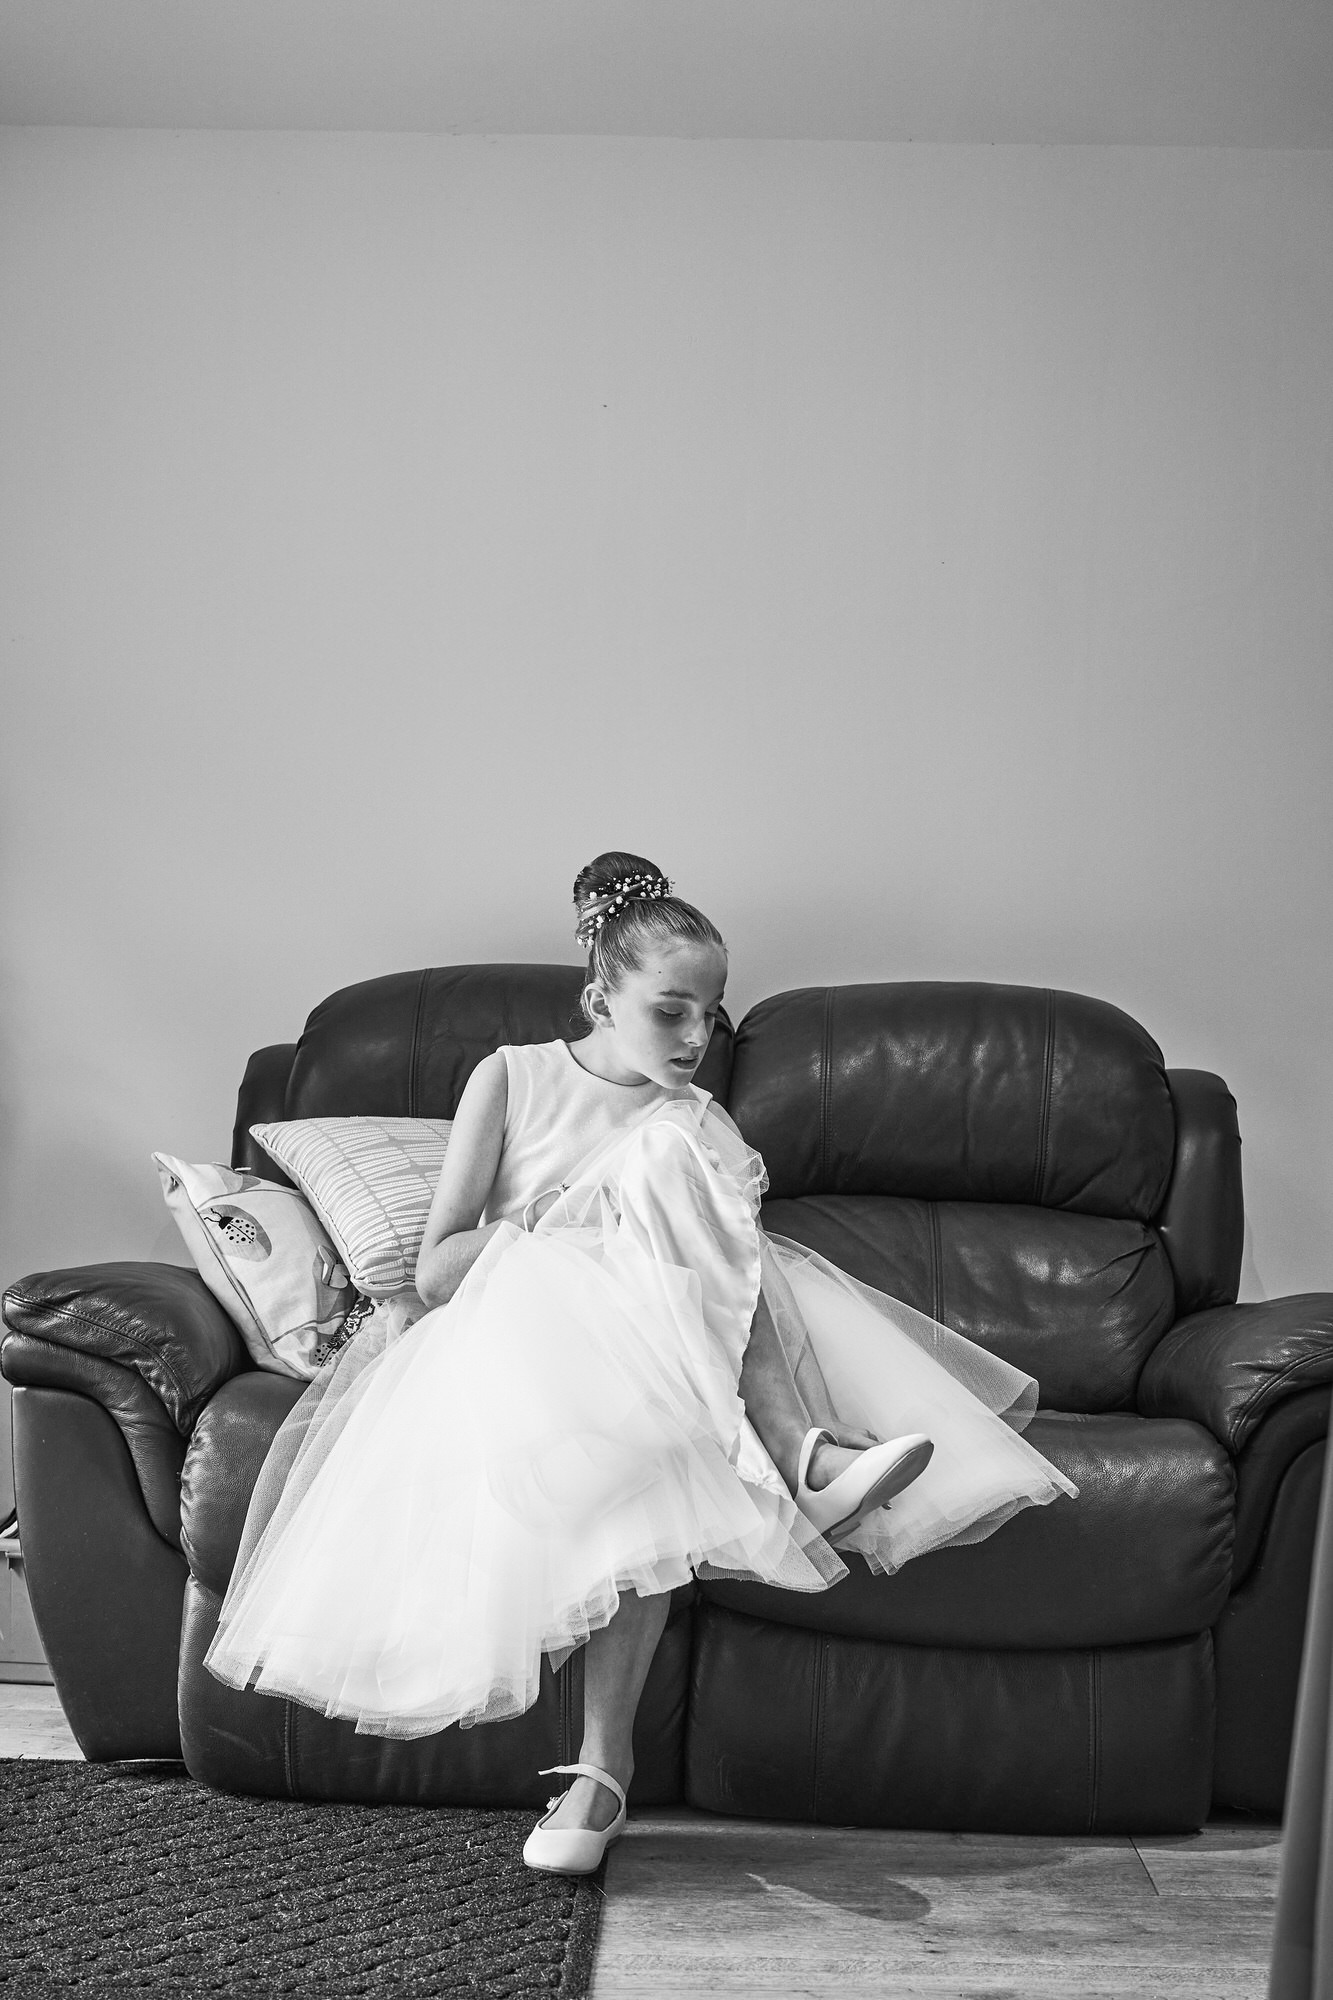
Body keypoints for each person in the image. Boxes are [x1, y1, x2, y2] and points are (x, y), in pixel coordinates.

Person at [206, 853, 1076, 1875]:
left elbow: (730, 1276)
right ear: (599, 997)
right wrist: (569, 1214)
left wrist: (648, 1195)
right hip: (523, 1334)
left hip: (681, 1340)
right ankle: (799, 1461)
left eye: (712, 1013)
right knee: (651, 1218)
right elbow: (438, 1269)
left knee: (672, 1177)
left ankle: (603, 1762)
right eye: (671, 1010)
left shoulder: (698, 1121)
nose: (698, 1037)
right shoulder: (515, 1077)